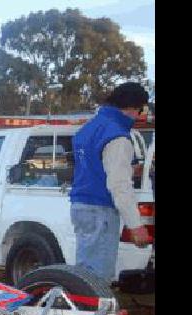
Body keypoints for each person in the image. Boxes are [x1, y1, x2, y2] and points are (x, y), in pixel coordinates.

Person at [69, 82, 151, 282]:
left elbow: (95, 167)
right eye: (140, 110)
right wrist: (136, 225)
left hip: (81, 207)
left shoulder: (88, 129)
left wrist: (130, 169)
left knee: (86, 270)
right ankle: (94, 310)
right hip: (101, 211)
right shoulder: (118, 137)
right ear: (133, 108)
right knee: (98, 278)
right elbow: (119, 185)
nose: (139, 116)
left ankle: (84, 307)